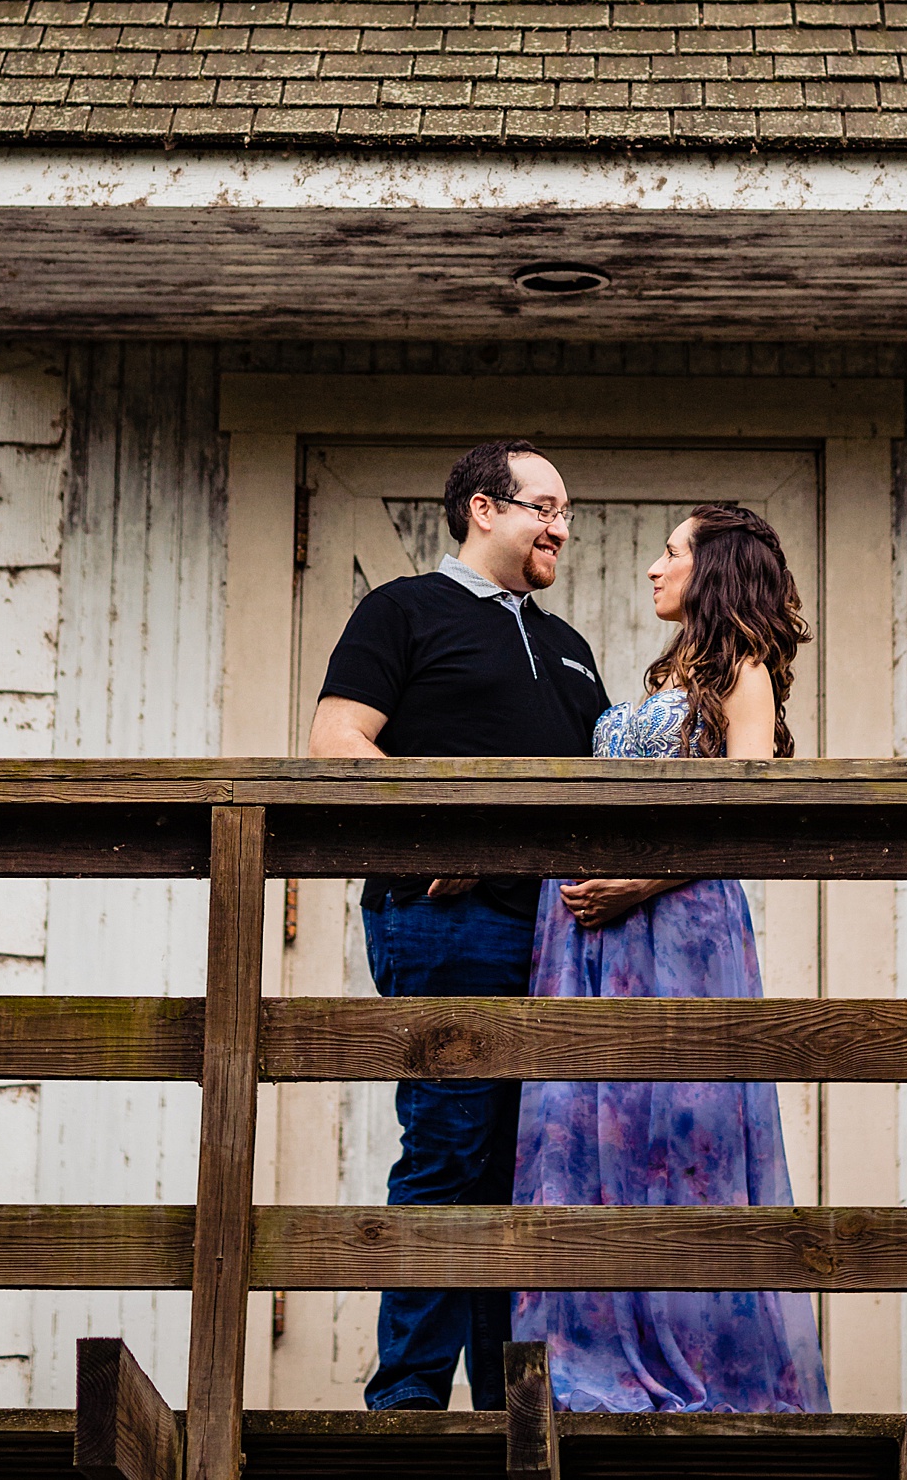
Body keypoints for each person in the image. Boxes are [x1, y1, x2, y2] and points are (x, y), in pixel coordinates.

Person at [308, 438, 608, 1414]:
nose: (562, 524)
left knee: (524, 1169)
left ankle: (504, 1407)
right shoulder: (400, 611)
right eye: (545, 505)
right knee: (447, 1150)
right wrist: (431, 826)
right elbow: (336, 740)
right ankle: (408, 1406)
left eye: (567, 510)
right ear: (485, 508)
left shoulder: (568, 646)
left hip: (554, 939)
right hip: (446, 921)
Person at [511, 504, 831, 1414]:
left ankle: (707, 1367)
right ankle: (588, 1359)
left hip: (677, 925)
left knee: (680, 1135)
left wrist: (635, 885)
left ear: (714, 570)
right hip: (594, 938)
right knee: (594, 1133)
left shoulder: (746, 673)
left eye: (672, 552)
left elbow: (748, 817)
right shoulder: (669, 673)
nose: (654, 568)